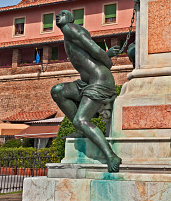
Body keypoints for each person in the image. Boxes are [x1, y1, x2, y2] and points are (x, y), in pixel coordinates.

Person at [51, 10, 121, 172]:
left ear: (70, 18)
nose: (57, 16)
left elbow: (94, 49)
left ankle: (111, 156)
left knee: (81, 120)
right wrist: (106, 54)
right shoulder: (69, 33)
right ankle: (79, 131)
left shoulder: (70, 28)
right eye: (57, 15)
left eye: (62, 14)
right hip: (86, 82)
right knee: (58, 90)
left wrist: (107, 61)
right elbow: (90, 52)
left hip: (99, 81)